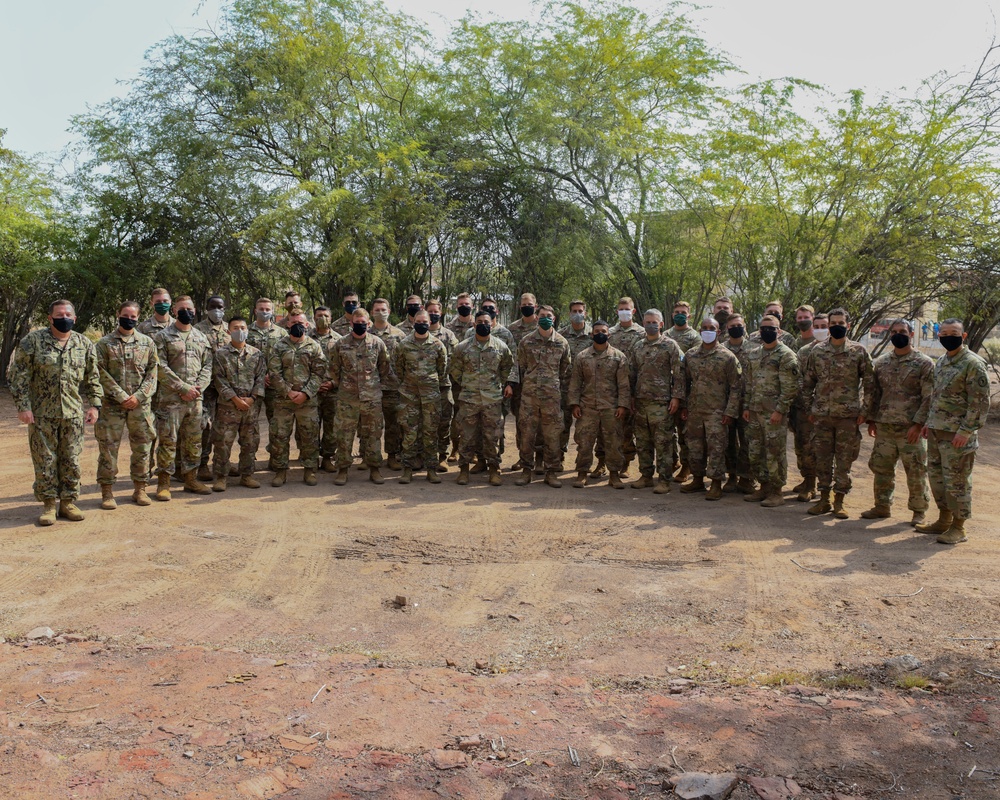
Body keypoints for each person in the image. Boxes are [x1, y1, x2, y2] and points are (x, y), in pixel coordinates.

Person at [8, 299, 102, 525]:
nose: (64, 318)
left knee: (71, 459)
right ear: (50, 318)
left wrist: (94, 405)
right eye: (59, 315)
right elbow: (18, 375)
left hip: (72, 413)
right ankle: (49, 504)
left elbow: (93, 377)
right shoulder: (33, 341)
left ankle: (68, 502)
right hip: (41, 414)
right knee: (45, 460)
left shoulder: (84, 343)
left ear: (75, 318)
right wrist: (23, 406)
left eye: (68, 314)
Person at [916, 319, 990, 544]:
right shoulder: (941, 362)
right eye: (944, 333)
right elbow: (936, 397)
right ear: (939, 337)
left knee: (957, 481)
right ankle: (943, 519)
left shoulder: (973, 364)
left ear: (963, 336)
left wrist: (966, 431)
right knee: (938, 479)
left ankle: (959, 527)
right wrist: (929, 422)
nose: (949, 336)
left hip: (958, 435)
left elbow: (979, 403)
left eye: (954, 333)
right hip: (938, 431)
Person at [801, 308, 874, 519]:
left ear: (848, 325)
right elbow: (807, 384)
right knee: (822, 459)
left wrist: (865, 412)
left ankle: (839, 501)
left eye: (840, 322)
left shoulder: (858, 351)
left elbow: (870, 384)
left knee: (844, 461)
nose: (836, 326)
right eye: (832, 323)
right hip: (822, 416)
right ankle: (823, 500)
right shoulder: (817, 351)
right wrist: (809, 409)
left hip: (848, 418)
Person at [861, 319, 933, 524]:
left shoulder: (924, 363)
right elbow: (875, 394)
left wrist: (918, 424)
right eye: (894, 331)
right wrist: (872, 420)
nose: (898, 334)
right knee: (881, 469)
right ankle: (882, 506)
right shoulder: (881, 362)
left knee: (916, 470)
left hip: (910, 428)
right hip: (885, 427)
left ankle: (919, 511)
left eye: (902, 331)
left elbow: (929, 396)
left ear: (911, 334)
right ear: (889, 334)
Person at [94, 301, 158, 509]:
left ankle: (140, 488)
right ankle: (107, 492)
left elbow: (153, 373)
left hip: (140, 405)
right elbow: (99, 372)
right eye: (125, 315)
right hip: (112, 405)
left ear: (138, 318)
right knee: (108, 448)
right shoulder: (104, 344)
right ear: (118, 314)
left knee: (142, 446)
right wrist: (121, 395)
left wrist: (138, 396)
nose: (129, 319)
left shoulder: (147, 343)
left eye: (133, 316)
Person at [152, 295, 214, 500]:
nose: (186, 312)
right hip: (170, 400)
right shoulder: (163, 336)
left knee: (193, 442)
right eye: (181, 308)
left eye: (189, 308)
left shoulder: (201, 337)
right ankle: (164, 483)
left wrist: (198, 388)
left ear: (195, 311)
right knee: (168, 442)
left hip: (195, 401)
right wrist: (182, 387)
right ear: (174, 311)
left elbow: (208, 366)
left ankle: (191, 479)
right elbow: (159, 366)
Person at [451, 309, 515, 486]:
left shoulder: (500, 347)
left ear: (492, 324)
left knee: (492, 436)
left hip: (492, 399)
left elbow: (507, 367)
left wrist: (496, 384)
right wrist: (467, 382)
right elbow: (454, 369)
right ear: (474, 324)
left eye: (486, 322)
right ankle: (463, 470)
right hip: (469, 399)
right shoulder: (462, 347)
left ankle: (494, 470)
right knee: (467, 435)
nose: (483, 325)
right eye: (479, 322)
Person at [741, 314, 799, 507]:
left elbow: (790, 387)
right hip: (756, 411)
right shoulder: (754, 353)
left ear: (779, 331)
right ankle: (763, 486)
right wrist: (748, 406)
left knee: (774, 452)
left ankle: (776, 491)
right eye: (763, 328)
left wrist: (780, 411)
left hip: (774, 414)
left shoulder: (786, 355)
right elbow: (749, 382)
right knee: (756, 451)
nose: (767, 332)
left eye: (771, 328)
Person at [329, 307, 392, 485]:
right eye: (357, 324)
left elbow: (384, 367)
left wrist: (372, 385)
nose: (360, 326)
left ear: (369, 324)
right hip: (347, 399)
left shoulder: (378, 343)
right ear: (351, 324)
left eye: (363, 324)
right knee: (343, 435)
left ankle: (375, 469)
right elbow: (334, 369)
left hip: (371, 398)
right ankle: (342, 469)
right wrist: (345, 385)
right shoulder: (340, 344)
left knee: (373, 434)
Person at [680, 317, 741, 500]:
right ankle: (697, 479)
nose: (708, 331)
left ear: (718, 332)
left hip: (717, 411)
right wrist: (683, 405)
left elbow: (736, 387)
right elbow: (684, 382)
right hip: (695, 410)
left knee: (716, 448)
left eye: (711, 328)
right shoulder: (691, 355)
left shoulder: (728, 356)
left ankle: (715, 483)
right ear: (700, 331)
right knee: (695, 446)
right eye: (705, 328)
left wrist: (730, 412)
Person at [568, 320, 630, 489]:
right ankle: (582, 474)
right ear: (591, 334)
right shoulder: (582, 357)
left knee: (614, 442)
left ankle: (614, 475)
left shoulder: (618, 357)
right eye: (597, 331)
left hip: (611, 408)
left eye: (603, 331)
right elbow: (575, 382)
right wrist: (574, 404)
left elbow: (623, 384)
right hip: (588, 407)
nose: (600, 334)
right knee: (584, 442)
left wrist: (623, 405)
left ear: (609, 334)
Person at [268, 310, 326, 487]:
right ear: (287, 325)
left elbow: (319, 372)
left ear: (307, 325)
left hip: (307, 401)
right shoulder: (278, 346)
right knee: (280, 436)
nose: (297, 326)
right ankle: (280, 471)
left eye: (301, 323)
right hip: (283, 400)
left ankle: (309, 470)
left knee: (309, 436)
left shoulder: (314, 346)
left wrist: (306, 393)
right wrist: (288, 392)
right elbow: (274, 373)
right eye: (294, 323)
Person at [515, 305, 571, 487]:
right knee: (527, 434)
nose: (545, 318)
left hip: (552, 397)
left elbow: (564, 369)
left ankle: (551, 472)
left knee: (552, 435)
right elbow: (521, 366)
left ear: (554, 318)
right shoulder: (526, 341)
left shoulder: (562, 343)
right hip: (529, 397)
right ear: (537, 317)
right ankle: (526, 471)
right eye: (542, 315)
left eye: (549, 315)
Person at [628, 309, 683, 493]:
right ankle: (646, 476)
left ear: (661, 324)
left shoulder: (670, 345)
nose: (651, 325)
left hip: (662, 403)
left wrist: (676, 397)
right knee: (643, 442)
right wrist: (631, 397)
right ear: (643, 323)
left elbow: (679, 374)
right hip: (641, 402)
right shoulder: (637, 346)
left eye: (654, 322)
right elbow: (632, 373)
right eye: (648, 321)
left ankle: (664, 479)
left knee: (663, 443)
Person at [211, 315, 266, 491]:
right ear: (229, 331)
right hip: (228, 408)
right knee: (222, 443)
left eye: (242, 328)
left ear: (247, 331)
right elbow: (219, 380)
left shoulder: (256, 354)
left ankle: (247, 475)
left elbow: (260, 378)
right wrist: (235, 399)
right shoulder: (220, 354)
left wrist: (251, 398)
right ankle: (221, 477)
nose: (239, 331)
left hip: (250, 408)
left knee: (250, 442)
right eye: (235, 328)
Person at [394, 310, 449, 483]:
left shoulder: (438, 345)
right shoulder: (403, 345)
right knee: (409, 432)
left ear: (430, 322)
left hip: (431, 395)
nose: (422, 323)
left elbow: (442, 369)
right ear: (413, 322)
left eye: (425, 321)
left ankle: (431, 469)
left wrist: (429, 383)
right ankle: (407, 469)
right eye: (419, 321)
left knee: (430, 431)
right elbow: (398, 368)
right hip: (409, 395)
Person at [465, 297, 519, 470]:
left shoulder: (505, 334)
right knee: (476, 428)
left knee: (495, 427)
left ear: (496, 312)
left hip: (496, 390)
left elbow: (512, 361)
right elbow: (459, 364)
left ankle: (494, 460)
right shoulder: (469, 334)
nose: (488, 310)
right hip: (473, 390)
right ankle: (480, 460)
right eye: (485, 308)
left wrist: (508, 383)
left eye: (491, 308)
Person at [789, 312, 828, 501]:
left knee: (826, 449)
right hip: (805, 409)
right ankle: (809, 482)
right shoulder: (804, 352)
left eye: (824, 326)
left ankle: (826, 487)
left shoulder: (846, 351)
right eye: (817, 326)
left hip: (831, 410)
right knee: (804, 447)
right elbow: (798, 381)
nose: (820, 329)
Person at [247, 297, 288, 469]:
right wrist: (257, 376)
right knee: (250, 424)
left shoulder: (281, 333)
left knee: (276, 423)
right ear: (255, 310)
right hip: (252, 386)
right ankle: (248, 461)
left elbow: (287, 359)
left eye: (268, 309)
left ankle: (275, 459)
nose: (265, 312)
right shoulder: (246, 331)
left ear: (272, 311)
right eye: (261, 309)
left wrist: (275, 376)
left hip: (274, 385)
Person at [605, 296, 643, 476]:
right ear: (617, 311)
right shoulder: (610, 333)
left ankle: (627, 462)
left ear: (633, 311)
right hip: (612, 388)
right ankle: (604, 462)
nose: (624, 312)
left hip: (635, 386)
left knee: (630, 428)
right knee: (611, 427)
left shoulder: (642, 333)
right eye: (621, 309)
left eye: (627, 309)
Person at [723, 313, 759, 493]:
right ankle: (731, 476)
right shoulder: (721, 349)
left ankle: (747, 478)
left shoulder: (755, 349)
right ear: (727, 328)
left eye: (739, 325)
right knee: (728, 441)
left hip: (748, 403)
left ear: (744, 326)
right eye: (732, 326)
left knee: (748, 442)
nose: (736, 328)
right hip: (726, 403)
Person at [665, 300, 701, 484]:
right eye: (677, 311)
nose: (680, 314)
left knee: (685, 431)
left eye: (683, 312)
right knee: (667, 431)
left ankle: (687, 466)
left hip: (687, 390)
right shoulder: (666, 335)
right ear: (672, 315)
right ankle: (673, 461)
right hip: (666, 390)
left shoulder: (694, 337)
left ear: (689, 315)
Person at [195, 295, 230, 481]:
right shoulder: (198, 330)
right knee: (205, 427)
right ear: (207, 308)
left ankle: (223, 462)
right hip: (207, 388)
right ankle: (202, 464)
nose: (217, 310)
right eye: (213, 307)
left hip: (226, 387)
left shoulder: (230, 329)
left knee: (226, 427)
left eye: (220, 307)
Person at [368, 298, 406, 470]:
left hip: (393, 387)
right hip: (370, 388)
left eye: (383, 309)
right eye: (377, 310)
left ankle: (392, 456)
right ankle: (368, 457)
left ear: (389, 312)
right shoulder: (366, 333)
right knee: (370, 426)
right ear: (371, 312)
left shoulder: (399, 334)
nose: (380, 312)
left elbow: (405, 360)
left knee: (393, 425)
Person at [425, 299, 460, 472]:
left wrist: (446, 376)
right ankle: (424, 456)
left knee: (444, 423)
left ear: (441, 313)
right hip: (422, 388)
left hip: (444, 386)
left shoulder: (448, 335)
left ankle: (442, 457)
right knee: (424, 423)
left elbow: (456, 359)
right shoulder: (418, 335)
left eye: (435, 311)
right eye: (429, 311)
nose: (433, 314)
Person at [507, 292, 540, 468]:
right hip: (520, 383)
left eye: (530, 304)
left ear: (535, 306)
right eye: (523, 304)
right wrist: (511, 383)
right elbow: (512, 357)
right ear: (520, 306)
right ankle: (523, 457)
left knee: (540, 421)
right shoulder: (512, 329)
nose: (526, 306)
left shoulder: (542, 324)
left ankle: (541, 458)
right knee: (522, 421)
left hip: (539, 382)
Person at [445, 292, 478, 462]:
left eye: (467, 304)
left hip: (475, 379)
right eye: (461, 304)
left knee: (474, 417)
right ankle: (455, 449)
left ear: (472, 306)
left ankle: (472, 451)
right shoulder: (449, 328)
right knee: (457, 415)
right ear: (457, 307)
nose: (464, 306)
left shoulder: (479, 325)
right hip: (456, 380)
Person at [558, 299, 592, 459]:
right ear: (569, 313)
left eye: (580, 311)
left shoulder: (594, 335)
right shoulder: (561, 335)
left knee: (586, 428)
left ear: (585, 313)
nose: (577, 314)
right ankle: (558, 457)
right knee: (561, 424)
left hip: (587, 390)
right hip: (564, 387)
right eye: (574, 311)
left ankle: (585, 461)